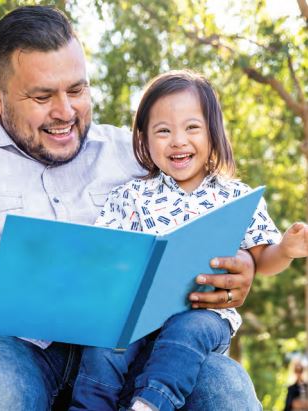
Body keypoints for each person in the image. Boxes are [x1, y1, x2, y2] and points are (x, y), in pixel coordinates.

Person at [0, 5, 261, 411]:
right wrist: (41, 289)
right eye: (42, 97)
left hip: (124, 347)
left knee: (223, 390)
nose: (65, 112)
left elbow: (208, 211)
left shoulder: (137, 154)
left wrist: (240, 264)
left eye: (77, 90)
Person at [69, 70, 308, 411]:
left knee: (188, 330)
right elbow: (106, 251)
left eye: (192, 128)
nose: (178, 140)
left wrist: (285, 249)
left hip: (204, 312)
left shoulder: (235, 197)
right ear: (144, 139)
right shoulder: (131, 195)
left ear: (213, 132)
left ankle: (151, 404)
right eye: (163, 131)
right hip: (135, 312)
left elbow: (262, 259)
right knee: (105, 343)